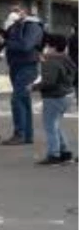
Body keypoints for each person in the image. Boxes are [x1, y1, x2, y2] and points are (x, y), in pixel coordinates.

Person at [2, 6, 45, 145]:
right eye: (12, 10)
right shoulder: (15, 26)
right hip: (16, 65)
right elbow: (5, 42)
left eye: (17, 10)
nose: (13, 12)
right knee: (24, 101)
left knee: (17, 99)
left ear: (25, 12)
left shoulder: (33, 26)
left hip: (28, 66)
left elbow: (26, 45)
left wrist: (6, 42)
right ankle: (27, 135)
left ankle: (20, 134)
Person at [34, 33, 77, 165]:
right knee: (55, 124)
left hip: (54, 96)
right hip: (67, 94)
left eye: (47, 45)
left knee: (50, 126)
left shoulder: (50, 60)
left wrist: (33, 87)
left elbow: (49, 81)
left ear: (51, 46)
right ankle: (64, 152)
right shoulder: (66, 59)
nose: (45, 47)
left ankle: (54, 154)